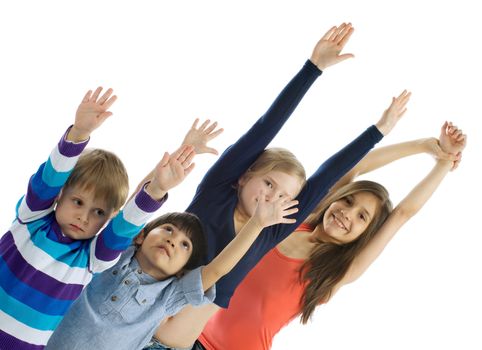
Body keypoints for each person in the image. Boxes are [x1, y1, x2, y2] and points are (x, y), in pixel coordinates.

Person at [144, 23, 411, 350]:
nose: (273, 197)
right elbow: (264, 128)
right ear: (244, 175)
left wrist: (378, 131)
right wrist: (312, 69)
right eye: (268, 184)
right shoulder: (217, 191)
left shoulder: (270, 229)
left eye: (284, 196)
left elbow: (327, 175)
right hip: (129, 322)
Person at [196, 121, 465, 350]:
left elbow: (403, 213)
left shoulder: (339, 271)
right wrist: (423, 146)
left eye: (362, 217)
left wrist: (443, 163)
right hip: (186, 333)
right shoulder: (289, 221)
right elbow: (352, 167)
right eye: (348, 201)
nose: (348, 214)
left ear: (366, 233)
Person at [0, 87, 194, 349]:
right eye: (78, 202)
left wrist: (158, 189)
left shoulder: (91, 259)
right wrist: (79, 133)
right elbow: (50, 178)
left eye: (98, 212)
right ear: (60, 194)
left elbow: (126, 225)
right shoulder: (31, 219)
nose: (83, 216)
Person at [45, 180, 299, 350]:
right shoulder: (117, 254)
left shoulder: (170, 294)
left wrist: (256, 224)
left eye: (185, 245)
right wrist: (159, 182)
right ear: (143, 235)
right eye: (168, 229)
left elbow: (218, 269)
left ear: (182, 270)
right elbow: (130, 213)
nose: (173, 240)